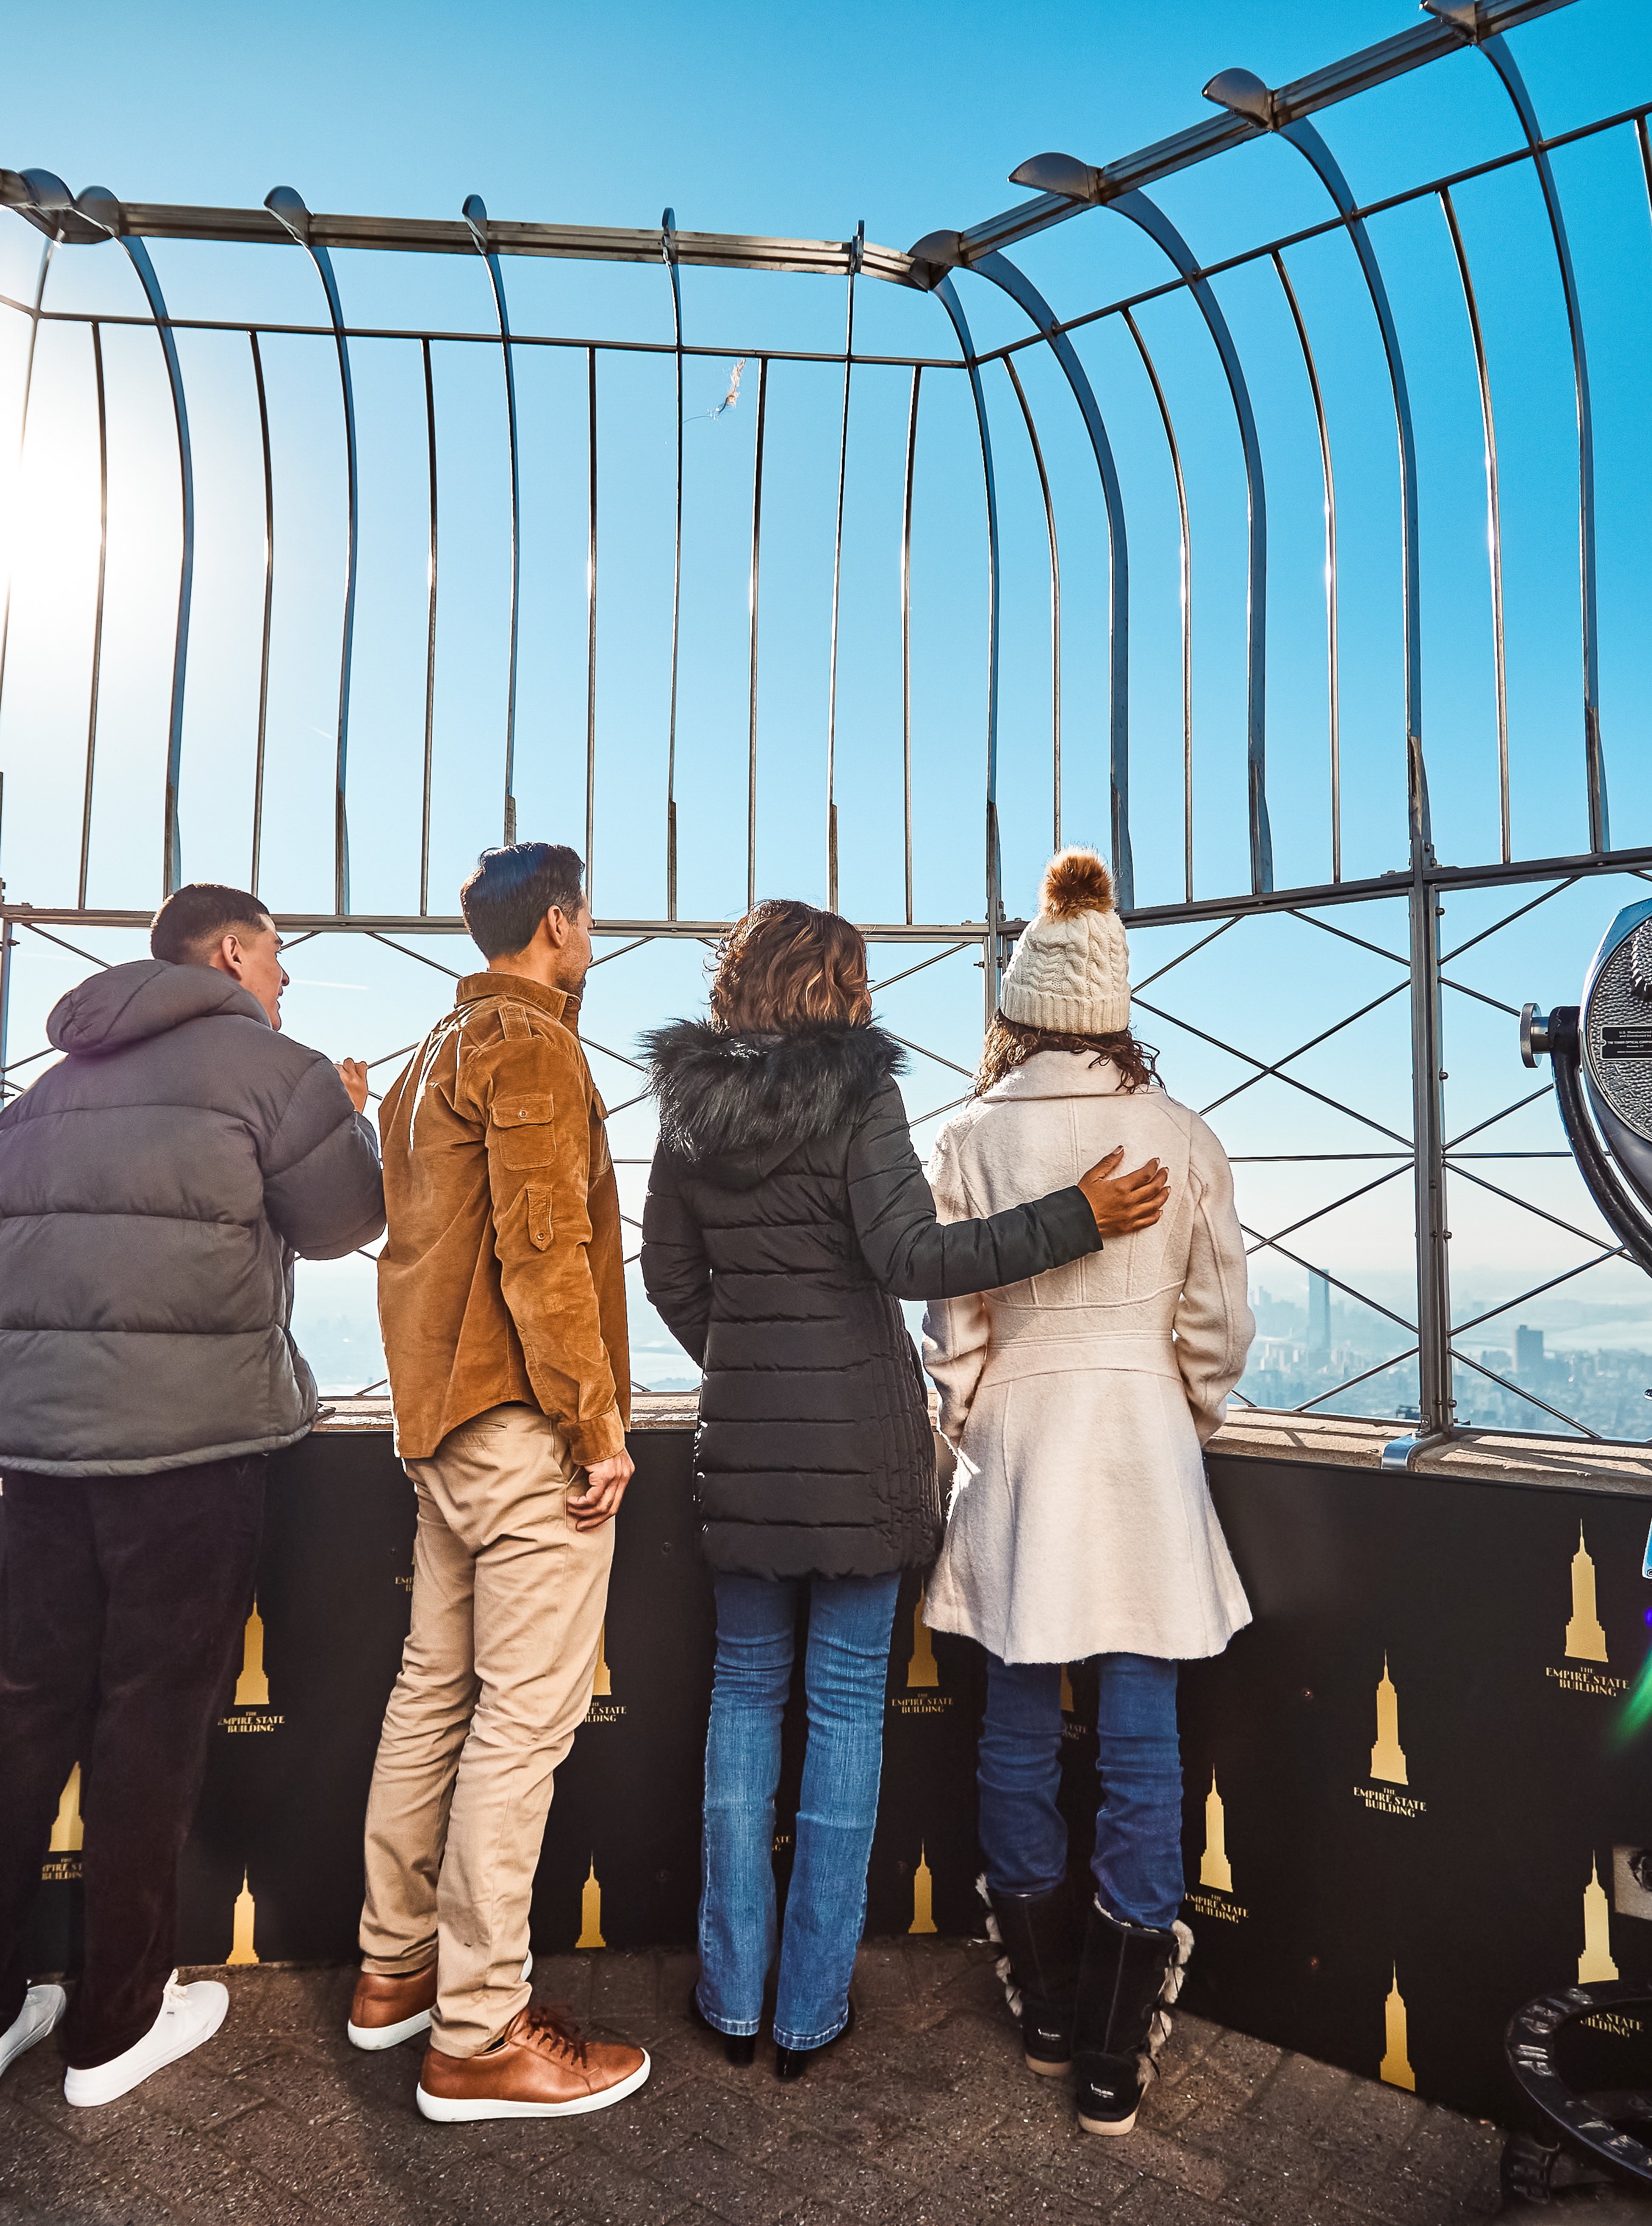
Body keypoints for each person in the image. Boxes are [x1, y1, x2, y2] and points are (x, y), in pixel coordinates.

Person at [637, 901, 1169, 2083]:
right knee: (843, 1710)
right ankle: (809, 2012)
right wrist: (1078, 1219)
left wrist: (744, 1356)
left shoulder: (688, 1107)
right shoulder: (859, 1092)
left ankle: (731, 1999)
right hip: (859, 1448)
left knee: (743, 1702)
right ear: (832, 987)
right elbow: (915, 1259)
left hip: (746, 1443)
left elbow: (668, 1272)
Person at [0, 883, 383, 2113]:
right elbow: (345, 1222)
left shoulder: (41, 1091)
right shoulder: (279, 1071)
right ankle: (114, 2028)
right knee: (149, 1734)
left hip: (32, 1451)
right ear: (231, 952)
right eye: (277, 958)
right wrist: (353, 1119)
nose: (284, 980)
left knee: (14, 1728)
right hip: (188, 1453)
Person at [919, 848, 1254, 2138]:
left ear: (1018, 1004)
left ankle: (1048, 2011)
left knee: (1014, 1729)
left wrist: (975, 1427)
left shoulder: (967, 1135)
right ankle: (1116, 2052)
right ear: (1115, 1005)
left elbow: (955, 1329)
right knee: (1141, 1743)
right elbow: (1218, 1327)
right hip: (1144, 1446)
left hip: (1017, 1443)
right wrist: (1176, 1417)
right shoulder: (1183, 1135)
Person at [350, 841, 653, 2122]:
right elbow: (544, 1252)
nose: (594, 937)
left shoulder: (429, 1055)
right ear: (561, 926)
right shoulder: (531, 1050)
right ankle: (476, 2035)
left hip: (442, 1431)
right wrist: (596, 1425)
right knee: (521, 1730)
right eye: (589, 920)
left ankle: (395, 1973)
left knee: (432, 1697)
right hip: (526, 1428)